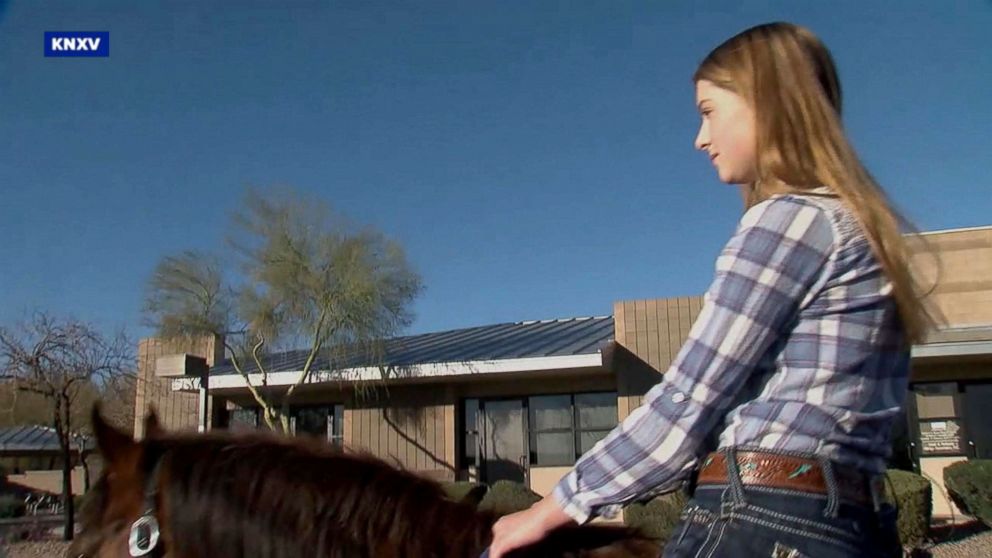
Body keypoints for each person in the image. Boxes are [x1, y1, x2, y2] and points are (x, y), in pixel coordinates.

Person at [488, 22, 933, 558]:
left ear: (765, 103)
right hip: (854, 524)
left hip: (766, 518)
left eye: (708, 111)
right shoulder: (866, 234)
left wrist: (548, 510)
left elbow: (686, 405)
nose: (700, 139)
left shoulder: (789, 222)